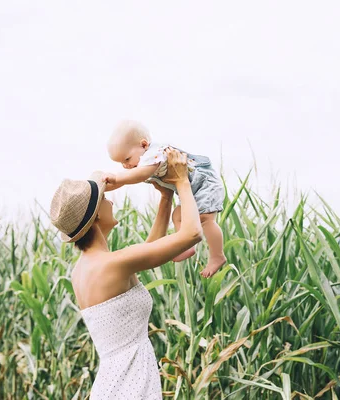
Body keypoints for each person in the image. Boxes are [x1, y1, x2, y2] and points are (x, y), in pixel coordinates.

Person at [49, 148, 202, 399]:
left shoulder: (86, 268)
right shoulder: (112, 264)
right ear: (96, 215)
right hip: (130, 384)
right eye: (104, 199)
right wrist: (182, 181)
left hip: (117, 382)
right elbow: (192, 234)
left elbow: (147, 252)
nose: (111, 201)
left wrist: (165, 199)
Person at [104, 119, 227, 278]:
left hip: (205, 184)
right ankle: (184, 244)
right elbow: (134, 177)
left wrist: (115, 178)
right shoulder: (145, 160)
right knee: (177, 215)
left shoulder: (153, 154)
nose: (126, 166)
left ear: (143, 145)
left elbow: (139, 176)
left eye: (126, 159)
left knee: (206, 219)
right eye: (121, 163)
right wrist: (109, 185)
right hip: (193, 189)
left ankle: (218, 255)